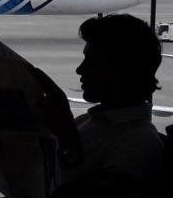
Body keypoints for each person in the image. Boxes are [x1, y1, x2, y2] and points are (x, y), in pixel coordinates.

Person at [34, 14, 165, 198]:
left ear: (124, 72)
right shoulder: (91, 121)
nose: (80, 69)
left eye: (93, 61)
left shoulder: (139, 144)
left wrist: (67, 138)